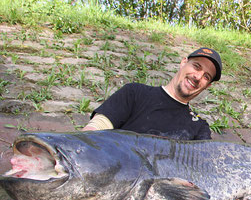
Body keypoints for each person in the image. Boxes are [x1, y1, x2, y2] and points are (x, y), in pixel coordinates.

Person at [82, 47, 222, 140]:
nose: (197, 77)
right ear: (183, 62)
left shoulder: (199, 128)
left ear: (207, 86)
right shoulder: (135, 93)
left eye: (206, 76)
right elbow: (96, 129)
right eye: (196, 66)